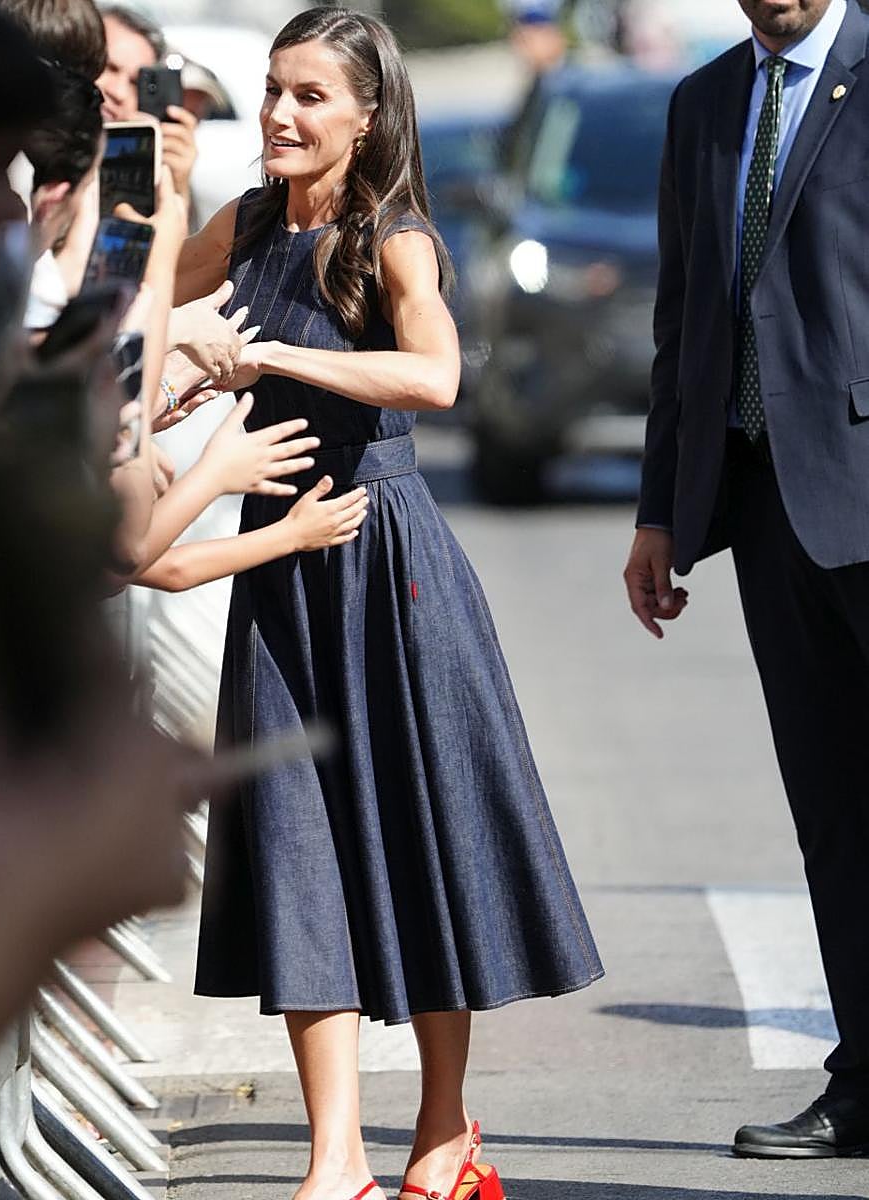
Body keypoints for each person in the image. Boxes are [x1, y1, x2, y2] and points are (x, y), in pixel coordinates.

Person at [179, 10, 603, 1200]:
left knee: (420, 844)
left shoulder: (395, 238)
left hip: (385, 565)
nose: (278, 114)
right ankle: (331, 1164)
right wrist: (167, 368)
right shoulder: (253, 221)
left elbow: (436, 374)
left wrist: (272, 361)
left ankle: (443, 1135)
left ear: (366, 115)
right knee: (295, 850)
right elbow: (153, 302)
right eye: (272, 89)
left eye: (310, 95)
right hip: (279, 568)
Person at [624, 0, 869, 1161]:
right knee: (834, 814)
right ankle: (865, 1078)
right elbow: (685, 322)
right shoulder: (705, 102)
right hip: (772, 510)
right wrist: (658, 512)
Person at [96, 3, 198, 201]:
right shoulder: (31, 138)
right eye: (109, 68)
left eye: (136, 83)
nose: (119, 92)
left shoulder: (149, 173)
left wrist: (176, 190)